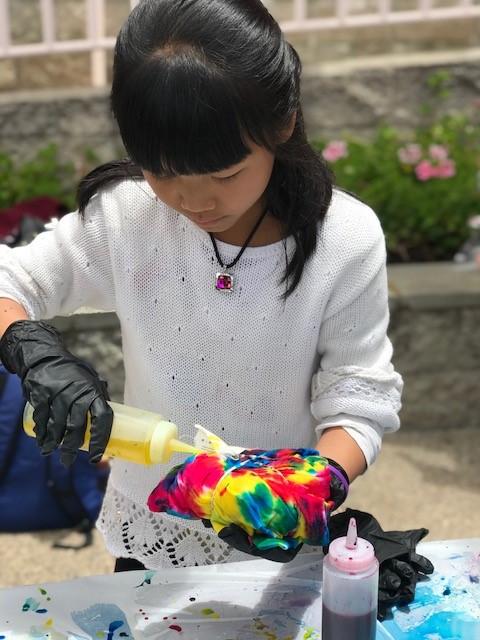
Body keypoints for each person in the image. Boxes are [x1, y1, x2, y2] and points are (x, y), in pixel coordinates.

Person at [0, 0, 403, 572]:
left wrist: (314, 483)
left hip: (276, 536)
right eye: (162, 172)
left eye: (225, 174)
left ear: (282, 123)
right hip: (151, 534)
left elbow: (360, 396)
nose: (195, 203)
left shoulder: (345, 237)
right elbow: (10, 279)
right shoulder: (128, 217)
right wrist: (32, 352)